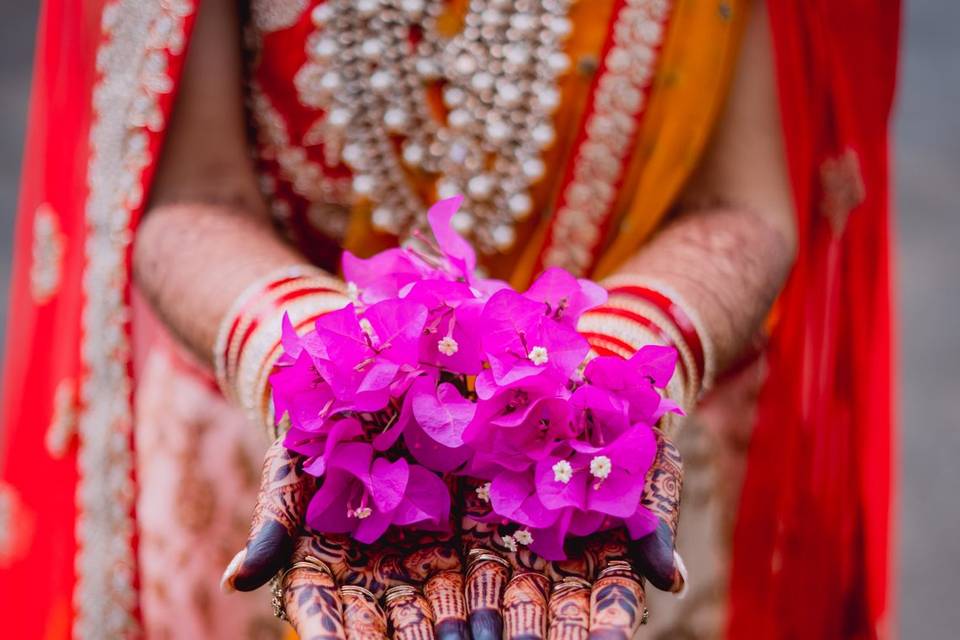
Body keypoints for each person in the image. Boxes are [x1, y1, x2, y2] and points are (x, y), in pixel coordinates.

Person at [0, 0, 899, 638]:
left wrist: (598, 385)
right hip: (280, 485)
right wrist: (336, 380)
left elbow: (748, 200)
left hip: (610, 501)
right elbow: (193, 191)